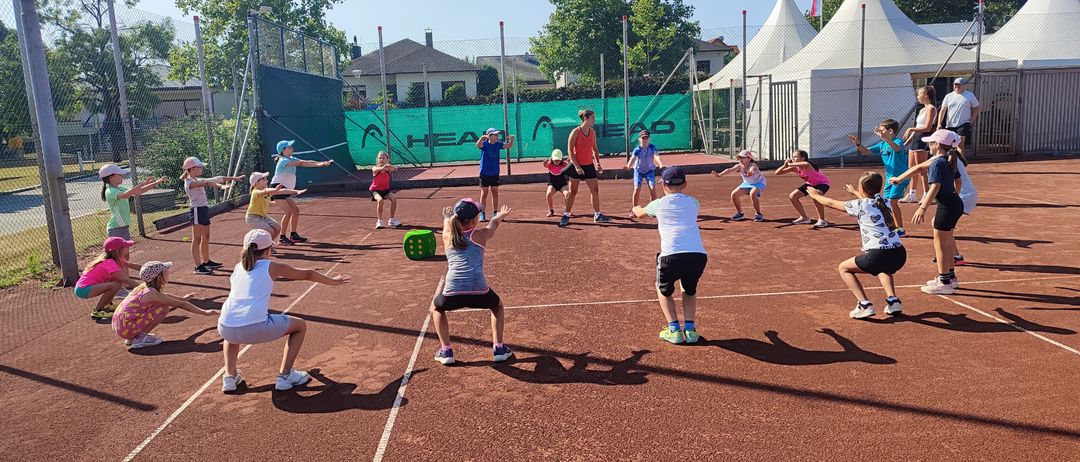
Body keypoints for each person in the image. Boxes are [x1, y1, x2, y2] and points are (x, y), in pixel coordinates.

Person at [218, 229, 350, 393]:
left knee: (232, 331)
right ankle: (285, 376)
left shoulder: (239, 267)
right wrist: (334, 282)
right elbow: (308, 274)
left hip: (225, 327)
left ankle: (229, 377)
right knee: (300, 326)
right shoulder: (271, 266)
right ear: (267, 250)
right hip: (255, 327)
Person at [806, 173, 906, 319]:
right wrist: (854, 192)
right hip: (899, 254)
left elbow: (831, 203)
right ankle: (893, 301)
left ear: (862, 188)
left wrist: (815, 196)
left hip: (878, 254)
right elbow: (868, 200)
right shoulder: (884, 201)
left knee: (844, 268)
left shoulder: (859, 205)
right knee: (884, 268)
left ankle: (864, 304)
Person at [431, 199, 513, 365]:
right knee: (497, 306)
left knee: (437, 308)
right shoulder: (481, 235)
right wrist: (501, 215)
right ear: (475, 220)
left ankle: (446, 351)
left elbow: (448, 224)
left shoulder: (448, 236)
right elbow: (493, 224)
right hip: (478, 288)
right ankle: (499, 349)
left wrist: (446, 217)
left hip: (453, 290)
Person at [631, 167, 707, 344]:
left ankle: (674, 329)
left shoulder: (658, 203)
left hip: (670, 256)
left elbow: (641, 214)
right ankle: (690, 331)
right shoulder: (694, 202)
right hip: (697, 255)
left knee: (662, 289)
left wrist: (635, 208)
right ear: (685, 184)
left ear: (663, 185)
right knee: (689, 289)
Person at [891, 129, 966, 295]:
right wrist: (899, 179)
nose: (928, 145)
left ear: (937, 145)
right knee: (945, 243)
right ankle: (950, 278)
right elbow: (958, 182)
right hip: (954, 204)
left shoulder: (937, 163)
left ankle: (944, 282)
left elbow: (935, 186)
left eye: (931, 142)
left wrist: (922, 207)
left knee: (940, 245)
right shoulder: (947, 159)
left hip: (947, 206)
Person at [111, 261, 219, 349]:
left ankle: (132, 337)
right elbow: (180, 304)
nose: (168, 272)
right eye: (165, 270)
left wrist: (183, 298)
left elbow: (165, 295)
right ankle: (139, 338)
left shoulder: (144, 287)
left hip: (121, 326)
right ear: (158, 277)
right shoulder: (151, 293)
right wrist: (204, 312)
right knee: (162, 308)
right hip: (125, 327)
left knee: (160, 306)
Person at [181, 156, 242, 275]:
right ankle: (198, 266)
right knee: (197, 239)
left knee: (206, 236)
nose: (202, 169)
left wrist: (234, 178)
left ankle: (206, 261)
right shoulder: (189, 182)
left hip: (203, 209)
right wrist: (220, 186)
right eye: (200, 167)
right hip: (197, 210)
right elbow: (209, 182)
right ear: (192, 168)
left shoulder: (197, 179)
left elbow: (216, 179)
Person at [849, 119, 909, 236]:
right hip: (889, 178)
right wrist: (857, 143)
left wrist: (884, 138)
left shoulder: (898, 142)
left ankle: (900, 228)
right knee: (886, 203)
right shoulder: (882, 144)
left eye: (882, 130)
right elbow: (866, 151)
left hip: (901, 177)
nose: (879, 133)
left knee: (892, 202)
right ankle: (891, 226)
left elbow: (896, 148)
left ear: (890, 131)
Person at [271, 140, 334, 245]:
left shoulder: (291, 158)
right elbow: (301, 163)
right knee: (288, 212)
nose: (292, 148)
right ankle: (282, 238)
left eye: (291, 146)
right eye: (289, 147)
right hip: (277, 188)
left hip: (285, 189)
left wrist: (320, 164)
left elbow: (306, 161)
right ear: (283, 150)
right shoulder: (282, 161)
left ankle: (293, 235)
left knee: (295, 210)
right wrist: (320, 164)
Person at [562, 109, 612, 227]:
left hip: (589, 165)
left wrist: (598, 163)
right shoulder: (575, 132)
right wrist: (577, 166)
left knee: (595, 190)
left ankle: (597, 215)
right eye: (592, 118)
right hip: (576, 165)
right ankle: (566, 215)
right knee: (572, 192)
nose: (594, 120)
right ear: (586, 118)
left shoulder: (593, 132)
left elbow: (594, 148)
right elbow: (570, 150)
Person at [75, 237, 141, 322]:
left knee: (116, 282)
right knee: (115, 284)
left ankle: (106, 306)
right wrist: (144, 289)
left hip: (85, 287)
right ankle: (98, 311)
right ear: (118, 251)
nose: (128, 248)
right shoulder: (109, 262)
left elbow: (133, 265)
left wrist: (153, 268)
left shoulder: (116, 259)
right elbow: (126, 280)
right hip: (83, 290)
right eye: (126, 246)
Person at [99, 163, 166, 240]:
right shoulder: (110, 191)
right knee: (119, 251)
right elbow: (126, 195)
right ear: (111, 177)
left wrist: (156, 182)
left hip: (123, 226)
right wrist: (143, 183)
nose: (122, 176)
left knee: (125, 251)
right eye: (120, 174)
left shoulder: (120, 188)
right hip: (116, 228)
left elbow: (139, 191)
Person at [774, 150, 831, 228]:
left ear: (803, 158)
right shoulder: (795, 168)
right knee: (793, 196)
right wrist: (784, 165)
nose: (793, 158)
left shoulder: (807, 164)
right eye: (792, 157)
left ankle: (822, 220)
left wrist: (790, 164)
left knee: (816, 196)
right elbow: (777, 173)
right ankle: (804, 218)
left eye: (795, 157)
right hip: (810, 184)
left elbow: (805, 163)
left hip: (822, 183)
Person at [901, 86, 937, 203]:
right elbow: (918, 127)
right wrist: (907, 142)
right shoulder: (922, 109)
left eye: (919, 94)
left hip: (923, 139)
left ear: (926, 95)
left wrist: (911, 129)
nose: (918, 97)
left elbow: (927, 128)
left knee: (922, 170)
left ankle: (927, 195)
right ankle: (912, 194)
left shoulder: (931, 109)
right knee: (912, 168)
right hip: (916, 139)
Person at [712, 150, 766, 222]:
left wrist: (751, 172)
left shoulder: (753, 164)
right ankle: (740, 213)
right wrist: (719, 175)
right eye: (739, 158)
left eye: (743, 158)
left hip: (759, 182)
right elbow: (729, 170)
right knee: (734, 194)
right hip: (747, 183)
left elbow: (753, 168)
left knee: (752, 194)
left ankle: (758, 214)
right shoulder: (739, 166)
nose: (740, 159)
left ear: (749, 158)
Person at [246, 171, 304, 236]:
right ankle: (264, 244)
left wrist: (296, 191)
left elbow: (283, 191)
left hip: (263, 216)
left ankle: (269, 244)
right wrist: (275, 189)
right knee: (270, 232)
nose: (267, 181)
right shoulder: (255, 192)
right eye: (264, 179)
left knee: (278, 228)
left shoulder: (267, 191)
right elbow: (265, 191)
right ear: (257, 182)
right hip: (253, 217)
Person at [475, 128, 515, 221]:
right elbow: (478, 144)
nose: (497, 136)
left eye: (497, 135)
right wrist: (481, 138)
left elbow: (508, 145)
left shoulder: (498, 145)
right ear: (489, 136)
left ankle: (495, 213)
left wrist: (512, 140)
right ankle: (482, 213)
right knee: (484, 193)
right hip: (484, 173)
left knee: (495, 192)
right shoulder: (484, 144)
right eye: (495, 135)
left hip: (494, 173)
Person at [937, 77, 980, 157]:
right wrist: (939, 123)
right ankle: (952, 164)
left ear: (964, 85)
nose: (956, 86)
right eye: (955, 85)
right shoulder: (948, 96)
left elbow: (976, 108)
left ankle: (961, 164)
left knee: (960, 144)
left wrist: (971, 120)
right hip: (950, 125)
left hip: (963, 123)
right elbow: (942, 110)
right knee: (950, 145)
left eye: (959, 85)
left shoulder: (969, 95)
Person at [626, 129, 666, 216]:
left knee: (652, 189)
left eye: (646, 138)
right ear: (639, 139)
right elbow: (632, 159)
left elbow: (656, 156)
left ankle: (653, 210)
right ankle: (634, 210)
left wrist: (660, 164)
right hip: (638, 171)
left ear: (649, 139)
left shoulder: (652, 147)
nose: (645, 140)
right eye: (643, 138)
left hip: (650, 171)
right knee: (637, 189)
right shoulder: (637, 150)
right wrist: (628, 166)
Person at [370, 150, 401, 229]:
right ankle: (379, 221)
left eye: (383, 158)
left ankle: (392, 220)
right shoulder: (375, 168)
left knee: (394, 198)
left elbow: (395, 169)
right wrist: (384, 167)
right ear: (377, 159)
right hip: (375, 190)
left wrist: (393, 167)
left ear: (387, 159)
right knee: (380, 200)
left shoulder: (388, 168)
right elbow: (375, 170)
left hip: (385, 191)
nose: (381, 160)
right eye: (380, 158)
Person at [543, 149, 572, 217]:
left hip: (562, 184)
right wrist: (544, 163)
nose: (556, 161)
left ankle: (567, 210)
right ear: (552, 159)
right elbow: (545, 165)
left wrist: (570, 163)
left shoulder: (564, 164)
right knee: (548, 194)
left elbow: (570, 167)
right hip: (553, 184)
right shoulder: (549, 165)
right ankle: (551, 210)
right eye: (555, 160)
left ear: (561, 159)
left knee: (567, 194)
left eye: (558, 160)